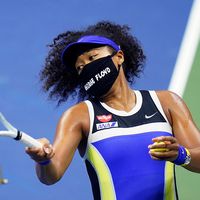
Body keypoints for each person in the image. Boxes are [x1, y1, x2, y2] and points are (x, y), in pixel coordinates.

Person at [25, 21, 200, 200]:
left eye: (92, 58)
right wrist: (43, 160)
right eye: (80, 67)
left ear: (119, 56)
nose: (87, 67)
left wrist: (182, 155)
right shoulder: (79, 116)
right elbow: (51, 175)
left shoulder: (166, 102)